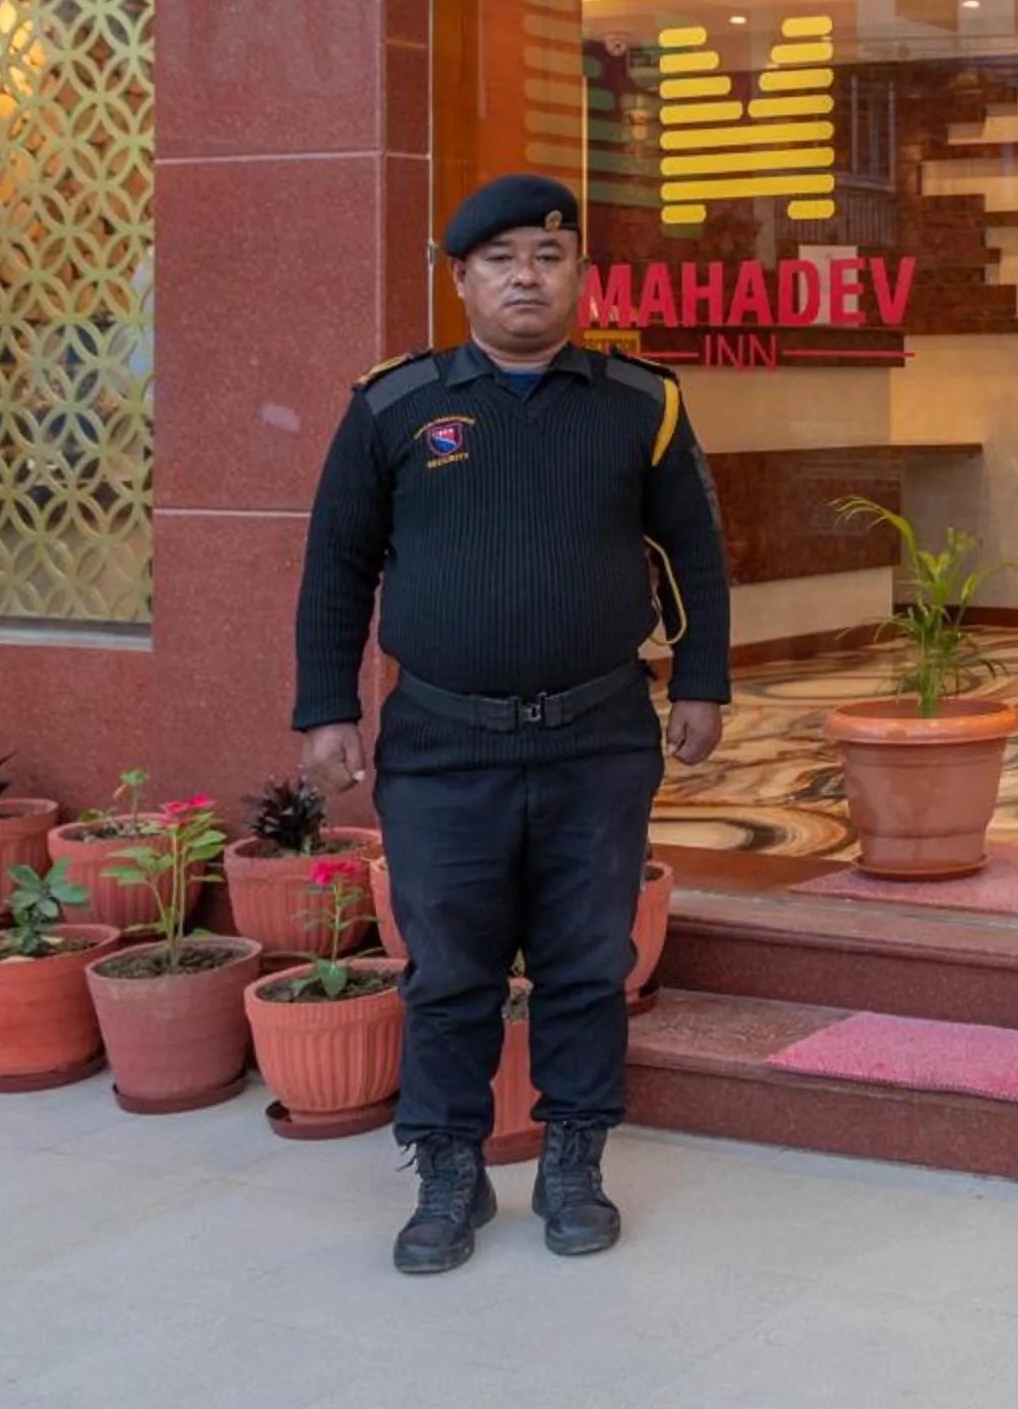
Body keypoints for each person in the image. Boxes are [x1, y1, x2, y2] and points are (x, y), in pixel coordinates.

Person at [291, 173, 730, 1276]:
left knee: (588, 961)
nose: (525, 275)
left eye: (547, 253)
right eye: (500, 259)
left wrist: (702, 681)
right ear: (462, 280)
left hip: (597, 735)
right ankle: (449, 1166)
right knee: (448, 967)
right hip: (443, 741)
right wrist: (326, 706)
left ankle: (574, 1158)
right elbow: (337, 566)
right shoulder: (394, 406)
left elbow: (695, 556)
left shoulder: (643, 402)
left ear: (578, 274)